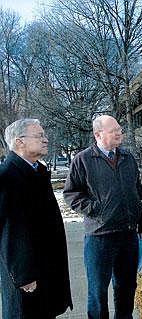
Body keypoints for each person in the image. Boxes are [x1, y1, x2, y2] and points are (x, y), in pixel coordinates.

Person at [63, 114, 142, 318]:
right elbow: (71, 194)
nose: (120, 133)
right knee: (98, 290)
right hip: (99, 236)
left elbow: (138, 191)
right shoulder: (83, 160)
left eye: (119, 129)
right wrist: (96, 209)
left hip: (128, 234)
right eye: (114, 131)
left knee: (127, 286)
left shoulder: (128, 158)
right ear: (98, 134)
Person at [0, 119, 72, 318]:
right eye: (39, 136)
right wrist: (24, 275)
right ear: (19, 142)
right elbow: (8, 231)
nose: (46, 140)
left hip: (46, 271)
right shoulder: (6, 176)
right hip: (26, 279)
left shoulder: (37, 172)